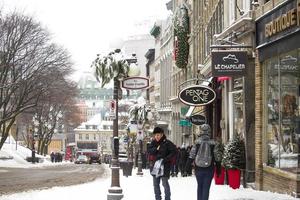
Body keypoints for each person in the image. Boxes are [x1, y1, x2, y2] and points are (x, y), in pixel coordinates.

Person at [185, 124, 220, 200]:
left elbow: (192, 155)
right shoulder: (213, 143)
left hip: (198, 168)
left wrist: (187, 167)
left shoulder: (197, 142)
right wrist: (218, 169)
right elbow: (217, 157)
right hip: (209, 169)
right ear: (209, 131)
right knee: (206, 188)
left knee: (200, 186)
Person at [147, 126, 177, 200]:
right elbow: (149, 150)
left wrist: (166, 159)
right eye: (155, 135)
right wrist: (156, 149)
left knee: (165, 184)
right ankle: (158, 198)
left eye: (158, 135)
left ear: (162, 134)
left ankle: (167, 198)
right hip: (155, 167)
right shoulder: (153, 143)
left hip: (165, 166)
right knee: (156, 185)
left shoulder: (167, 143)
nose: (156, 136)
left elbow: (174, 152)